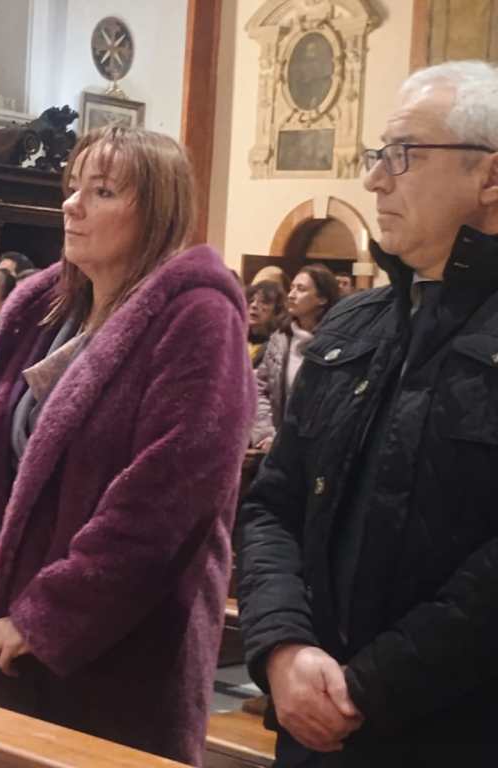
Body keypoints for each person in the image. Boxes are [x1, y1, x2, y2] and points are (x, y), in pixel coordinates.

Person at [0, 126, 254, 764]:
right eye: (74, 187)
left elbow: (163, 502)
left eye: (101, 192)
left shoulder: (198, 317)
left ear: (156, 212)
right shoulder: (38, 308)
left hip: (113, 663)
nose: (72, 205)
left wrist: (45, 618)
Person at [238, 60, 498, 767]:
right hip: (311, 716)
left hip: (456, 732)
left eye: (402, 155)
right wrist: (284, 646)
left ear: (491, 177)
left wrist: (371, 687)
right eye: (376, 156)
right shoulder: (355, 326)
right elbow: (272, 505)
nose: (376, 178)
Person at [250, 264, 339, 449]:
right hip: (276, 445)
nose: (291, 295)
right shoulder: (280, 340)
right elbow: (261, 389)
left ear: (322, 298)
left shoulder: (336, 343)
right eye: (291, 288)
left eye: (301, 289)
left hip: (318, 447)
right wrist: (267, 433)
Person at [246, 279, 286, 367]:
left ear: (277, 310)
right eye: (251, 300)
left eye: (263, 302)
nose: (254, 305)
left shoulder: (279, 346)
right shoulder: (238, 337)